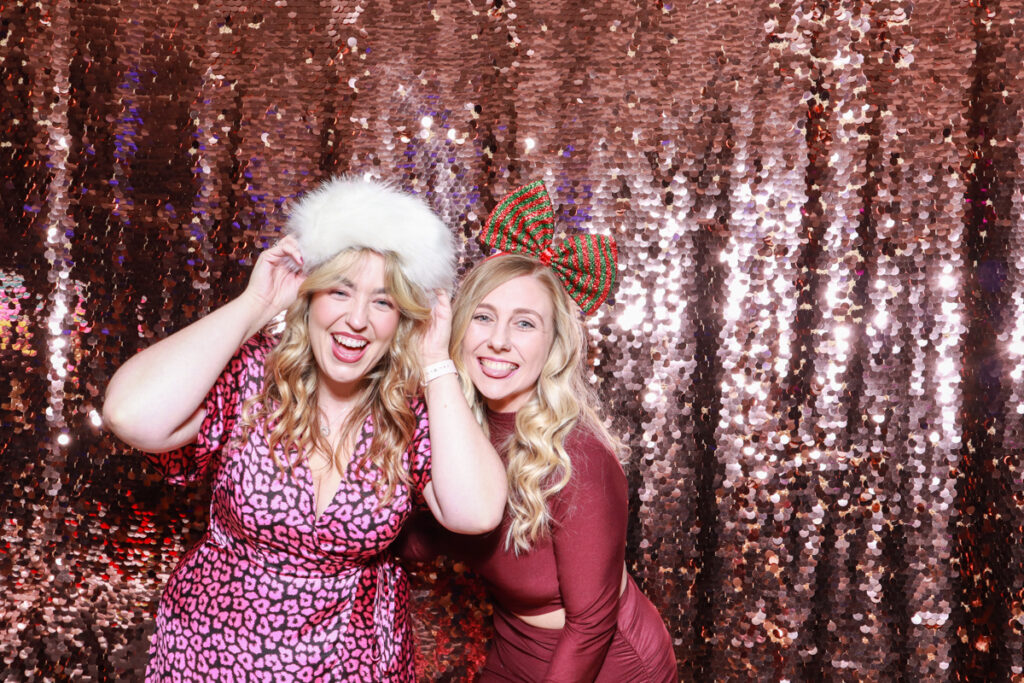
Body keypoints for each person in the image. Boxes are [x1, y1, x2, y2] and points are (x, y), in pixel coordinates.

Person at [102, 177, 508, 682]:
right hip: (214, 654)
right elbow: (129, 414)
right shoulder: (252, 375)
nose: (357, 319)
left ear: (403, 318)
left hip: (357, 662)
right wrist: (257, 303)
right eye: (340, 291)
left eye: (382, 302)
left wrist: (433, 361)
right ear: (310, 297)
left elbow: (476, 513)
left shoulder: (412, 411)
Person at [399, 180, 678, 682]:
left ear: (554, 347)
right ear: (457, 330)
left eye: (525, 324)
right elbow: (420, 542)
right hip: (512, 645)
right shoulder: (455, 428)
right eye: (483, 317)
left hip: (603, 660)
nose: (499, 342)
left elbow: (591, 623)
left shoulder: (579, 456)